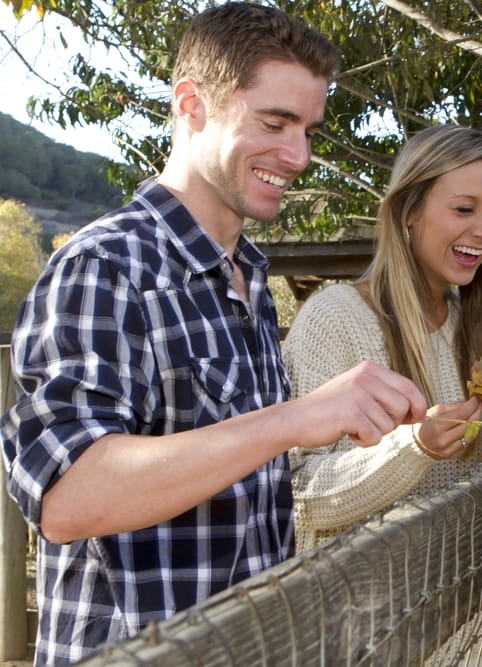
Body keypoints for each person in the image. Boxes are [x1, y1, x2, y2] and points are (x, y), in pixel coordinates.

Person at [0, 4, 427, 665]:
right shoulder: (106, 266)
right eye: (275, 122)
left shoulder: (249, 278)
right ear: (192, 105)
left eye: (309, 129)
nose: (299, 155)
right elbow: (66, 496)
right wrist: (292, 418)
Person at [282, 123, 482, 551]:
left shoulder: (472, 327)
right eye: (464, 209)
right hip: (368, 614)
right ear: (409, 211)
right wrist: (415, 447)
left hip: (471, 609)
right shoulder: (334, 319)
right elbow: (302, 498)